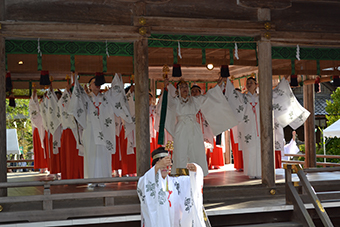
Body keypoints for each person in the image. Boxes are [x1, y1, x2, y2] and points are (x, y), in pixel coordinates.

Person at [224, 76, 310, 178]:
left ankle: (262, 172)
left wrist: (283, 81)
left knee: (262, 149)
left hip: (262, 128)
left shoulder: (263, 97)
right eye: (247, 83)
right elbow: (232, 95)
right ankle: (251, 173)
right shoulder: (242, 98)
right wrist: (227, 83)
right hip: (248, 128)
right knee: (250, 150)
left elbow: (277, 94)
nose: (249, 84)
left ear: (256, 85)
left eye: (251, 82)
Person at [68, 73, 132, 187]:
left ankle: (102, 179)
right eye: (94, 83)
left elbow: (116, 93)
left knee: (103, 153)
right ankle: (91, 180)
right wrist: (75, 80)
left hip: (104, 130)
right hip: (90, 130)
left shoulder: (106, 98)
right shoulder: (85, 98)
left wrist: (117, 76)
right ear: (89, 86)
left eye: (98, 83)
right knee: (91, 154)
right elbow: (76, 100)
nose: (97, 85)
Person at [163, 78, 237, 176]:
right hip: (181, 128)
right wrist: (166, 86)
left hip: (194, 127)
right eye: (182, 87)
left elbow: (208, 97)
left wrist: (217, 86)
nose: (184, 88)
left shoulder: (195, 100)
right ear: (178, 90)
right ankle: (181, 175)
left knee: (196, 151)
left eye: (186, 86)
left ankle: (195, 174)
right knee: (181, 152)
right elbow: (165, 102)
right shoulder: (175, 101)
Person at [137, 147, 205, 227]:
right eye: (161, 164)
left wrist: (195, 170)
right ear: (155, 165)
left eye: (167, 165)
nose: (164, 168)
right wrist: (157, 167)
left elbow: (193, 182)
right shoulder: (148, 180)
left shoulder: (176, 182)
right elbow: (143, 184)